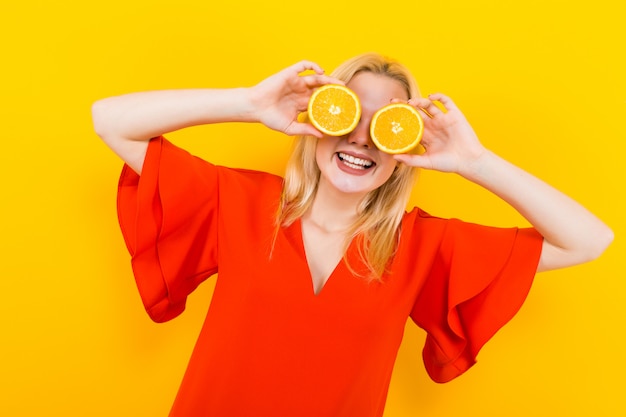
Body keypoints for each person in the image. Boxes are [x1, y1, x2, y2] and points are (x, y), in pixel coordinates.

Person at [92, 52, 613, 417]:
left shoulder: (421, 245)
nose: (361, 138)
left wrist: (475, 162)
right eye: (347, 114)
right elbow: (109, 119)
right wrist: (249, 104)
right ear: (319, 119)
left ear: (405, 147)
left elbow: (588, 240)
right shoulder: (240, 202)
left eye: (387, 125)